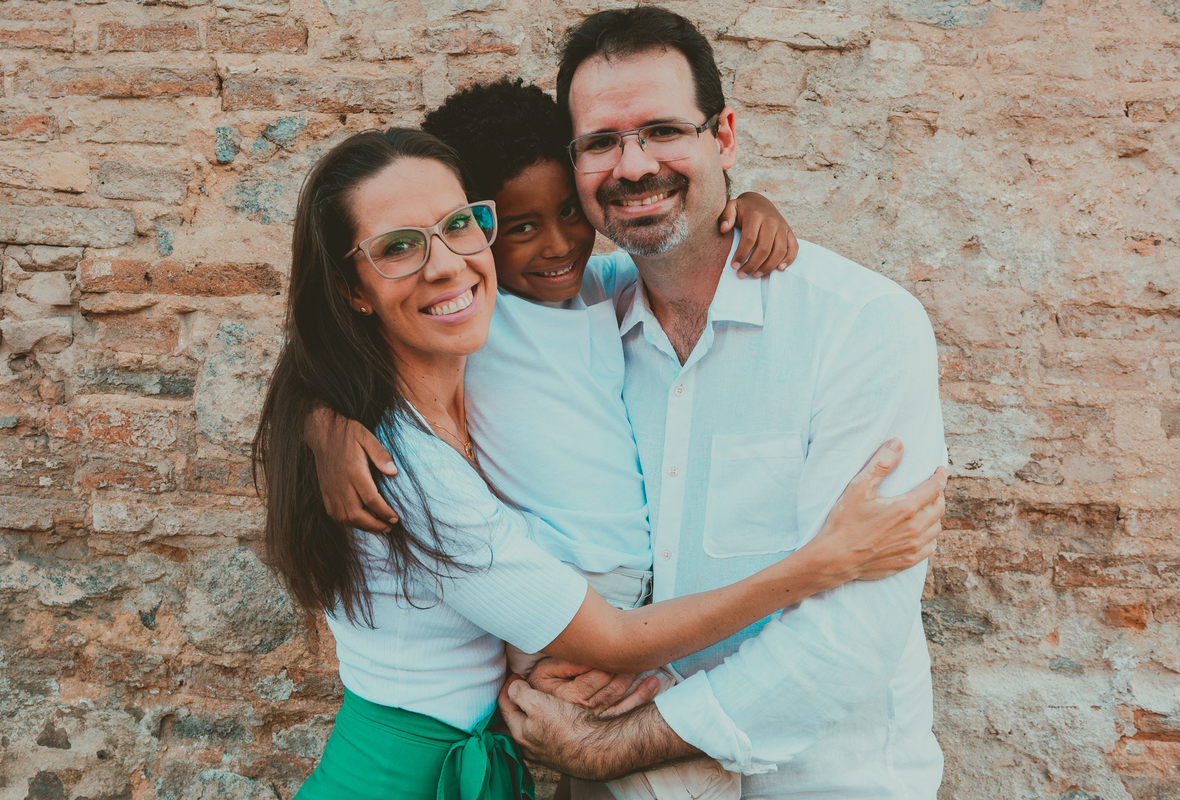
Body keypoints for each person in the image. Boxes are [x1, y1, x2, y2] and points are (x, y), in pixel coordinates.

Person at [253, 128, 945, 799]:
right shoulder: (404, 469)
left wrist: (742, 212)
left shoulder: (487, 348)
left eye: (459, 226)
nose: (443, 263)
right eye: (398, 247)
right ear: (352, 289)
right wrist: (820, 565)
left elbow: (643, 265)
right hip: (396, 780)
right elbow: (611, 639)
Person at [496, 7, 950, 800]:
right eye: (601, 142)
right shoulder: (579, 324)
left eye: (664, 130)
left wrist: (612, 747)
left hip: (818, 784)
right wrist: (326, 419)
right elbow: (402, 313)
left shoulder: (860, 326)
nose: (633, 166)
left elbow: (853, 632)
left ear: (725, 137)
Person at [304, 78, 796, 799]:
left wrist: (742, 206)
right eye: (522, 226)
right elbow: (328, 338)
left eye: (569, 212)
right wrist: (320, 421)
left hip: (602, 609)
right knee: (693, 773)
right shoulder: (472, 325)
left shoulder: (593, 288)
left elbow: (677, 252)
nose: (557, 242)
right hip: (562, 618)